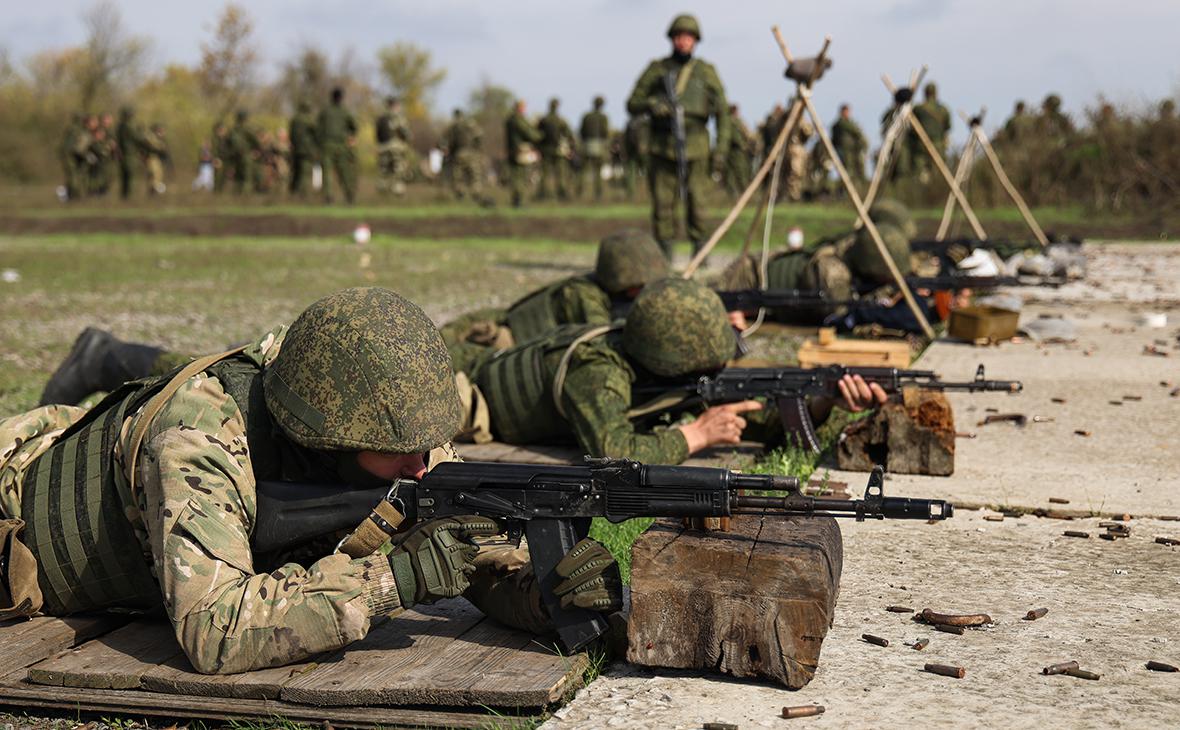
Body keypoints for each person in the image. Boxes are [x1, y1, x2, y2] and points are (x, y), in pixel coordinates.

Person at [1, 288, 621, 672]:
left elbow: (472, 556)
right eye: (398, 452)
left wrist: (544, 594)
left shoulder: (396, 442)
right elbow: (216, 632)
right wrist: (398, 576)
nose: (424, 467)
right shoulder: (201, 439)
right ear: (326, 440)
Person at [452, 278, 885, 463]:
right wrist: (695, 435)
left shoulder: (657, 371)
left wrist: (826, 396)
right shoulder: (598, 371)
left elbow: (759, 420)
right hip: (465, 397)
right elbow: (612, 451)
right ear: (672, 362)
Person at [441, 229, 670, 375]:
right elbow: (603, 339)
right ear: (620, 280)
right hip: (508, 343)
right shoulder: (582, 294)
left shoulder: (609, 291)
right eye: (640, 286)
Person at [626, 13, 731, 260]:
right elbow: (632, 103)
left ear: (695, 40)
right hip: (662, 145)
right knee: (663, 204)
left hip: (697, 144)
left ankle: (701, 254)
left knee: (698, 201)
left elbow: (723, 113)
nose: (683, 42)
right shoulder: (657, 69)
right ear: (672, 39)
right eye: (679, 37)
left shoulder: (706, 72)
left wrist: (722, 148)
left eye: (688, 37)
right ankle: (665, 254)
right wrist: (653, 104)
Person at [318, 87, 358, 204]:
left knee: (327, 172)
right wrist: (351, 137)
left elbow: (318, 129)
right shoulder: (345, 112)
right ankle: (350, 196)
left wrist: (320, 143)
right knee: (344, 172)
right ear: (341, 98)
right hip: (341, 146)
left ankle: (328, 197)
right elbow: (354, 127)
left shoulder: (325, 111)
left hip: (327, 145)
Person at [909, 82, 951, 183]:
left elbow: (911, 127)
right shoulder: (943, 110)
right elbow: (948, 127)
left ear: (925, 93)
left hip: (921, 145)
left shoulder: (918, 109)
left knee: (919, 173)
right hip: (939, 146)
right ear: (936, 93)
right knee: (938, 174)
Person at [504, 99, 543, 207]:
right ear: (519, 107)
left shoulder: (509, 119)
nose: (525, 109)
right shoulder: (518, 119)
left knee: (517, 176)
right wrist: (541, 136)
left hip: (512, 150)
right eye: (523, 107)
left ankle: (517, 201)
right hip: (519, 151)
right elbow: (529, 133)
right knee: (519, 177)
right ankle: (518, 201)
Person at [536, 98, 576, 201]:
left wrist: (538, 148)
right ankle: (562, 193)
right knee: (560, 173)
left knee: (544, 173)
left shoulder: (543, 120)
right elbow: (569, 135)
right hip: (558, 151)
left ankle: (542, 193)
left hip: (545, 150)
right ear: (557, 107)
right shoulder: (561, 121)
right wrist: (571, 148)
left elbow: (537, 135)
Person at [375, 96, 411, 197]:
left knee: (384, 170)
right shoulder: (398, 117)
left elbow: (377, 134)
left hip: (382, 148)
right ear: (395, 105)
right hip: (396, 147)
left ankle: (382, 191)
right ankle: (398, 192)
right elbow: (405, 133)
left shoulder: (381, 118)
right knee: (398, 170)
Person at [579, 96, 610, 201]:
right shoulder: (603, 117)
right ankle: (598, 194)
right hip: (599, 145)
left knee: (583, 170)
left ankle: (580, 191)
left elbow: (582, 131)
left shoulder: (586, 116)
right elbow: (605, 132)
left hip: (587, 145)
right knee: (598, 171)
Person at [831, 104, 868, 187]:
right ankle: (844, 189)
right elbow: (855, 131)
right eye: (846, 111)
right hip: (843, 151)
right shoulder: (840, 124)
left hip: (852, 151)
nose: (847, 113)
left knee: (854, 169)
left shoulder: (849, 123)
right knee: (846, 170)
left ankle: (855, 187)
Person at [722, 104, 755, 196]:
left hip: (736, 150)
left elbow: (747, 134)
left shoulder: (735, 121)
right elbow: (736, 137)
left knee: (739, 172)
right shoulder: (733, 122)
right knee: (737, 172)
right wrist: (743, 145)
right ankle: (740, 193)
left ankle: (742, 193)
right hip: (735, 150)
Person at [225, 110, 260, 195]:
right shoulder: (247, 129)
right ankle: (245, 197)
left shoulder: (232, 130)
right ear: (245, 118)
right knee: (247, 177)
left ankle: (236, 196)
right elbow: (256, 141)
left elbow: (227, 143)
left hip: (235, 157)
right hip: (246, 156)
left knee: (237, 177)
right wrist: (256, 150)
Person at [288, 100, 317, 197]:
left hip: (295, 149)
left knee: (296, 172)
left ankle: (292, 193)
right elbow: (316, 133)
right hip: (306, 150)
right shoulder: (308, 120)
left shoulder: (294, 120)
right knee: (305, 173)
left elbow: (291, 134)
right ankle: (304, 195)